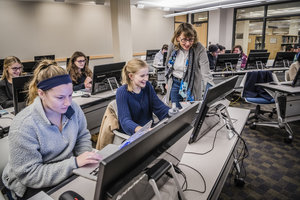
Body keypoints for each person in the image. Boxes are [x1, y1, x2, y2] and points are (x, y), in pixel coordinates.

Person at [2, 60, 101, 199]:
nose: (68, 102)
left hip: (66, 169)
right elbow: (30, 175)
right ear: (41, 94)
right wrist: (75, 163)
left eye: (70, 95)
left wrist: (86, 158)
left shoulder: (73, 108)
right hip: (30, 183)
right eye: (60, 97)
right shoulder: (23, 126)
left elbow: (82, 135)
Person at [165, 22, 213, 108]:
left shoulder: (199, 48)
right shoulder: (172, 46)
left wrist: (211, 90)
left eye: (191, 39)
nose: (187, 43)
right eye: (184, 39)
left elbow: (206, 72)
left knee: (192, 110)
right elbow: (167, 65)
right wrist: (167, 82)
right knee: (176, 110)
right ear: (178, 38)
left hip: (191, 83)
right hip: (175, 83)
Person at [116, 58, 170, 135]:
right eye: (142, 76)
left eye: (147, 74)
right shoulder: (122, 92)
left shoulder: (147, 86)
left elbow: (159, 107)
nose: (146, 78)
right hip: (135, 133)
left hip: (149, 130)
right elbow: (125, 121)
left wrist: (172, 113)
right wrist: (142, 130)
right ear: (131, 76)